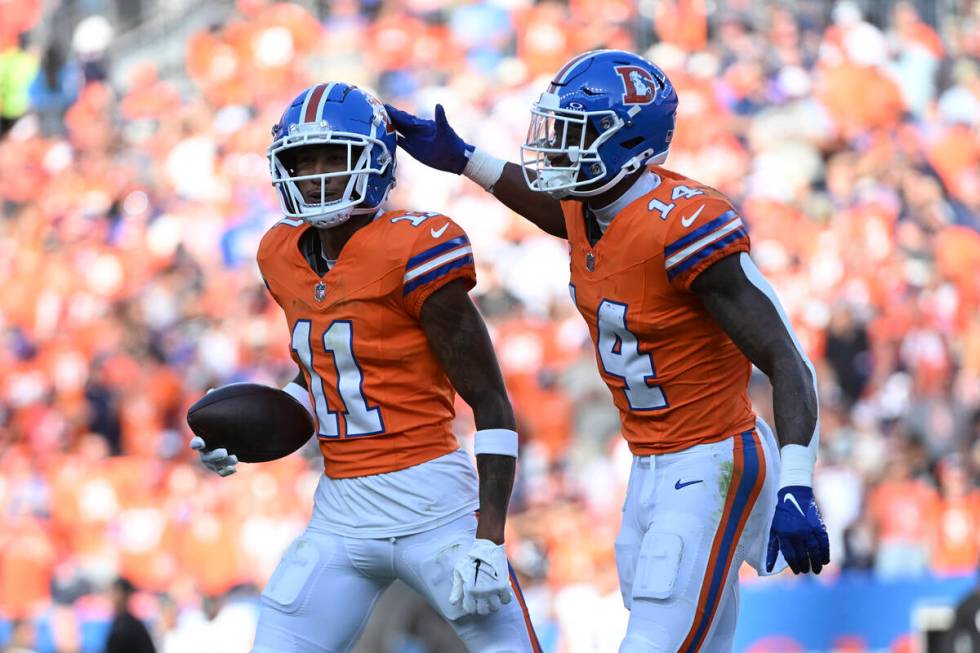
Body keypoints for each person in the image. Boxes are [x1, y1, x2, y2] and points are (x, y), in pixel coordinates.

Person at [387, 49, 831, 652]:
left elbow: (785, 357)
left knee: (651, 642)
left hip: (712, 456)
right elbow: (555, 212)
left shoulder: (684, 225)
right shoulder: (590, 206)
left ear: (631, 145)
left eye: (577, 135)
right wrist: (467, 158)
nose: (557, 149)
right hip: (648, 462)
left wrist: (798, 482)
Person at [190, 82, 541, 653]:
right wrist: (246, 429)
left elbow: (492, 402)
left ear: (375, 162)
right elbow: (323, 379)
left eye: (335, 156)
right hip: (341, 511)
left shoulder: (418, 245)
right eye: (305, 161)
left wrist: (491, 538)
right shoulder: (279, 253)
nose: (319, 174)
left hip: (434, 505)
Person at [104, 577, 156, 653]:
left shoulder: (129, 626)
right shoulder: (119, 622)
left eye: (115, 592)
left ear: (125, 595)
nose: (111, 596)